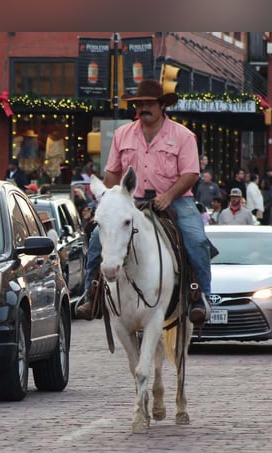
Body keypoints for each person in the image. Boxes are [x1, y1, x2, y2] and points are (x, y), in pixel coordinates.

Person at [75, 79, 212, 324]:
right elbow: (113, 173)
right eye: (139, 104)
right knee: (98, 237)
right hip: (132, 200)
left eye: (149, 104)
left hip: (175, 200)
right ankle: (91, 292)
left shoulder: (183, 135)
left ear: (162, 106)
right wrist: (111, 202)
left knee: (197, 239)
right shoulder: (122, 134)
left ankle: (200, 296)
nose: (143, 108)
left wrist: (168, 195)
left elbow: (191, 173)